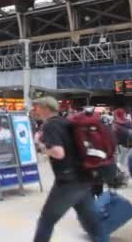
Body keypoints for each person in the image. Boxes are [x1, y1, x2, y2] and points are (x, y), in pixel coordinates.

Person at [31, 97, 104, 242]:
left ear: (46, 108)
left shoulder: (50, 126)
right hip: (83, 177)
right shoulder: (67, 122)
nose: (35, 110)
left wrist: (40, 146)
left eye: (37, 107)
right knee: (93, 225)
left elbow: (59, 153)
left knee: (46, 220)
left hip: (68, 182)